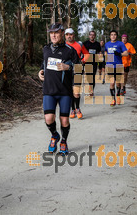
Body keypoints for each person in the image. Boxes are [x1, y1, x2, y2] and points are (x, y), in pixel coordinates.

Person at [38, 23, 79, 155]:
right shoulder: (46, 49)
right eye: (51, 33)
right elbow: (43, 64)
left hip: (64, 91)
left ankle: (64, 141)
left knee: (64, 120)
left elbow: (81, 68)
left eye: (56, 32)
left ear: (62, 33)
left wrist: (68, 67)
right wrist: (40, 72)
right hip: (49, 90)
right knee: (49, 118)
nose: (53, 35)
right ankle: (55, 135)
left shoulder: (70, 50)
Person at [105, 30, 128, 106]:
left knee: (118, 84)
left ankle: (118, 96)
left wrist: (120, 54)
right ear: (110, 36)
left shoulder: (120, 44)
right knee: (112, 83)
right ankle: (113, 99)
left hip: (118, 65)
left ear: (116, 36)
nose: (113, 36)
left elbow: (126, 53)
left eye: (115, 34)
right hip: (110, 66)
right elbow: (105, 52)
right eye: (112, 35)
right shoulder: (107, 44)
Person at [65, 27, 83, 119]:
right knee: (70, 92)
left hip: (78, 68)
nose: (69, 36)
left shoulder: (79, 44)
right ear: (65, 36)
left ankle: (78, 108)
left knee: (76, 91)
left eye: (70, 34)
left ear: (74, 35)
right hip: (67, 70)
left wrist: (82, 61)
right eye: (67, 35)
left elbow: (86, 54)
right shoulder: (62, 45)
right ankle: (72, 109)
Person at [82, 31, 101, 96]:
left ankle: (91, 90)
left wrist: (100, 63)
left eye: (93, 35)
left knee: (92, 76)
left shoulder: (97, 44)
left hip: (94, 62)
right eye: (91, 35)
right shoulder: (85, 43)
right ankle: (91, 87)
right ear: (89, 36)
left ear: (95, 36)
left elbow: (99, 53)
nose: (92, 36)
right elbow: (82, 52)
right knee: (88, 77)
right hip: (87, 63)